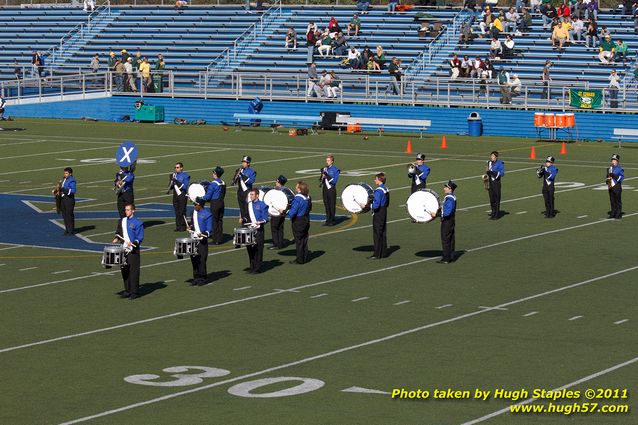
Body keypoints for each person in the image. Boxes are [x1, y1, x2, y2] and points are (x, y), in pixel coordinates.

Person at [113, 204, 144, 300]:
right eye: (125, 210)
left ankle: (135, 292)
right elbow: (119, 232)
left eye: (128, 210)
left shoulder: (138, 223)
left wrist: (134, 243)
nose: (126, 211)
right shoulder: (122, 221)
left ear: (133, 211)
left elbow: (140, 237)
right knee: (124, 270)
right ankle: (127, 290)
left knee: (133, 271)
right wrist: (116, 238)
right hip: (123, 249)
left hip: (133, 250)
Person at [242, 188, 269, 273]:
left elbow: (266, 218)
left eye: (252, 195)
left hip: (258, 230)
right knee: (249, 248)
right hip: (249, 229)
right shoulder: (248, 205)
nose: (251, 196)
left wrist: (260, 222)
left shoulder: (262, 205)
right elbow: (246, 216)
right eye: (250, 194)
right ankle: (252, 266)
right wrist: (243, 219)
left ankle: (257, 268)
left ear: (257, 195)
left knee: (258, 249)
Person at [188, 197, 212, 286]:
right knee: (194, 259)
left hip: (202, 240)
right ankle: (196, 277)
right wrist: (190, 227)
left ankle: (203, 277)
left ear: (200, 205)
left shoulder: (207, 214)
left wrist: (204, 233)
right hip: (193, 239)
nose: (194, 206)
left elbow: (210, 229)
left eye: (195, 204)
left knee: (202, 259)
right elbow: (193, 224)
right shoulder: (193, 212)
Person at [287, 181, 312, 264]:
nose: (295, 188)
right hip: (306, 219)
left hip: (298, 221)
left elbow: (292, 213)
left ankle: (300, 259)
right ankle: (305, 257)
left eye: (297, 187)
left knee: (299, 241)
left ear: (300, 189)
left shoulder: (297, 199)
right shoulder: (308, 197)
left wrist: (286, 212)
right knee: (304, 239)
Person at [365, 173, 389, 260]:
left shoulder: (378, 191)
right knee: (383, 232)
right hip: (384, 211)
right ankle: (383, 252)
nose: (374, 180)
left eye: (376, 179)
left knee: (377, 233)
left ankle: (377, 253)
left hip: (378, 213)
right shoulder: (385, 188)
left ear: (379, 180)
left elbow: (376, 205)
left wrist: (367, 206)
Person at [433, 180, 457, 264]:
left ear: (450, 189)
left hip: (447, 221)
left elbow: (448, 212)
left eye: (446, 187)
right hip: (451, 220)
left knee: (446, 239)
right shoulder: (450, 197)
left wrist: (436, 214)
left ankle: (446, 258)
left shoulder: (450, 198)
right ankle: (451, 256)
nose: (444, 188)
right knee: (450, 238)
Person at [202, 166, 226, 245]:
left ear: (215, 174)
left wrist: (201, 198)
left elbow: (208, 196)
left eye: (213, 172)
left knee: (214, 221)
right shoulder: (223, 183)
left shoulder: (213, 184)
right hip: (221, 203)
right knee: (220, 221)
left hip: (215, 204)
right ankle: (219, 239)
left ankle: (215, 239)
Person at [234, 156, 256, 221]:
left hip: (247, 192)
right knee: (242, 209)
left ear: (248, 163)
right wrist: (236, 176)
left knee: (247, 210)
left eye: (244, 162)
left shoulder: (252, 172)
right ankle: (243, 223)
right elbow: (234, 182)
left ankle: (248, 224)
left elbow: (251, 181)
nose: (242, 163)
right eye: (242, 162)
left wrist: (242, 175)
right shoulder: (240, 170)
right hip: (240, 192)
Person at [269, 175, 288, 250]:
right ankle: (280, 243)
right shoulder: (286, 189)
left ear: (278, 181)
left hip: (277, 211)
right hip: (283, 210)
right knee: (280, 227)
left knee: (274, 227)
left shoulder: (277, 190)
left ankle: (276, 244)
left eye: (277, 181)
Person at [320, 154, 340, 226]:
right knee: (326, 204)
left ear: (332, 161)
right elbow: (322, 180)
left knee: (332, 205)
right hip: (325, 188)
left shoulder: (335, 170)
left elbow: (334, 181)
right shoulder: (325, 168)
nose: (327, 162)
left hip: (331, 189)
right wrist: (322, 174)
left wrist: (326, 174)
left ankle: (332, 220)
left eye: (328, 161)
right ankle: (328, 219)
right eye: (326, 160)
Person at [170, 162, 190, 232]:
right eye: (175, 167)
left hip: (182, 195)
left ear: (181, 168)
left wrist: (176, 181)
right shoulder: (174, 175)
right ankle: (178, 226)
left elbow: (184, 187)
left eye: (177, 167)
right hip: (175, 195)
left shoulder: (185, 176)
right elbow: (171, 187)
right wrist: (171, 181)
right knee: (177, 211)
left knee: (182, 211)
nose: (176, 169)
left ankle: (183, 226)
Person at [486, 151, 505, 220]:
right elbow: (487, 171)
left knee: (497, 199)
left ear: (496, 157)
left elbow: (502, 173)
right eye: (491, 156)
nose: (491, 157)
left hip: (496, 183)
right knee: (491, 199)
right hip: (490, 183)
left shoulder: (500, 163)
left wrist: (493, 173)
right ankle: (493, 212)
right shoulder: (489, 162)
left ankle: (497, 214)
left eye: (493, 156)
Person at [59, 167, 76, 236]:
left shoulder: (72, 180)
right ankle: (67, 229)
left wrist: (62, 189)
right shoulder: (64, 179)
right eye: (64, 173)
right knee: (64, 215)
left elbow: (73, 191)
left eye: (66, 173)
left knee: (69, 215)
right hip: (63, 199)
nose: (65, 174)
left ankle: (71, 230)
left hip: (69, 199)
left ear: (70, 173)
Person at [606, 154, 624, 219]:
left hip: (617, 187)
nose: (613, 161)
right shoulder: (609, 169)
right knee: (612, 201)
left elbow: (621, 178)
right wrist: (607, 180)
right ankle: (613, 213)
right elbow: (607, 177)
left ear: (617, 161)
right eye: (612, 160)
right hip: (610, 187)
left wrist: (614, 175)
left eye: (614, 160)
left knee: (617, 201)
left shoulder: (620, 169)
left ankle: (618, 214)